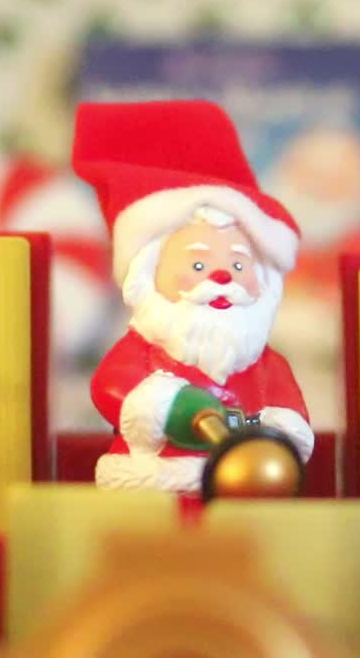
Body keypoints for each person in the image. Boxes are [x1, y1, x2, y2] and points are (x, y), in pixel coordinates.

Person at [73, 100, 315, 493]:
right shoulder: (141, 355)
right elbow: (114, 389)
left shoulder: (266, 366)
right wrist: (168, 404)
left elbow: (290, 415)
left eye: (238, 266)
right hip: (155, 481)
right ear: (148, 276)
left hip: (251, 481)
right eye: (198, 266)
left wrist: (275, 428)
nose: (222, 278)